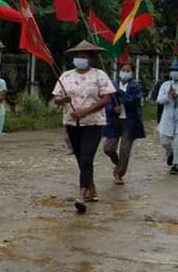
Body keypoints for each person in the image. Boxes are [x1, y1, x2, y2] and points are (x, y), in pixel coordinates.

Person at [52, 40, 114, 214]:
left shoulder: (99, 75)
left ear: (90, 58)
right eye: (77, 56)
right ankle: (91, 186)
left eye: (83, 56)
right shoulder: (66, 76)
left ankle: (82, 195)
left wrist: (85, 111)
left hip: (93, 123)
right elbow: (56, 97)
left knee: (87, 157)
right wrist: (62, 100)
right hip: (71, 123)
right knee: (80, 158)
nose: (80, 59)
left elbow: (106, 98)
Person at [102, 63, 145, 185]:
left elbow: (134, 101)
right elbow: (107, 103)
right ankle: (118, 162)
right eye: (123, 70)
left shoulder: (135, 86)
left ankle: (119, 174)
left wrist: (120, 94)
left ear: (132, 73)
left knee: (125, 149)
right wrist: (112, 109)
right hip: (114, 121)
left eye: (128, 70)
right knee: (108, 148)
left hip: (130, 121)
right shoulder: (112, 85)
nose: (125, 72)